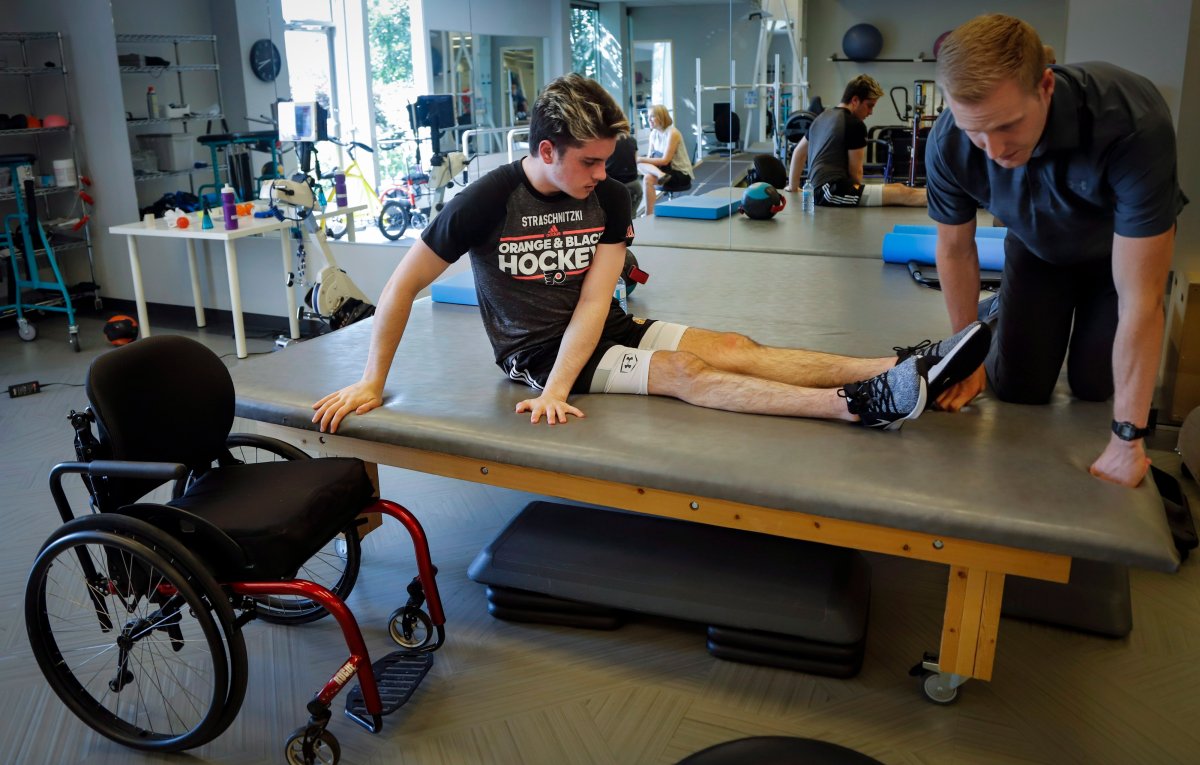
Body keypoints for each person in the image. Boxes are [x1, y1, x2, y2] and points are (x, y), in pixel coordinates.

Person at [312, 73, 990, 435]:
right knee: (684, 371)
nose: (604, 174)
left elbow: (593, 300)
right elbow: (401, 287)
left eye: (610, 160)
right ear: (546, 151)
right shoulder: (488, 199)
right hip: (537, 354)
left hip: (595, 328)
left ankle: (905, 366)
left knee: (732, 342)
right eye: (590, 160)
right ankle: (857, 403)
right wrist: (373, 381)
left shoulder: (607, 195)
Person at [926, 14, 1187, 488]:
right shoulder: (948, 142)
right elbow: (956, 250)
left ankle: (1009, 309)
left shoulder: (1131, 121)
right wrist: (962, 357)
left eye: (1008, 125)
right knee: (1019, 390)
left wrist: (1127, 439)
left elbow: (1142, 299)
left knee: (1094, 387)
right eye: (975, 132)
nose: (993, 149)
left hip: (1115, 259)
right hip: (1035, 249)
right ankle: (1001, 310)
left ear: (1045, 85)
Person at [785, 74, 927, 207]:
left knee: (900, 189)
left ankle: (941, 198)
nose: (870, 112)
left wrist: (793, 187)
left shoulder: (821, 117)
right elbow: (856, 172)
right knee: (902, 195)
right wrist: (859, 194)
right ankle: (946, 203)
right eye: (869, 105)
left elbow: (798, 152)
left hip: (824, 191)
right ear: (855, 100)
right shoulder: (854, 124)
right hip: (832, 192)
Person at [636, 104, 694, 215]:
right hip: (662, 172)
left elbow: (665, 160)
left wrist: (640, 159)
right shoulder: (653, 134)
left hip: (679, 173)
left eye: (652, 116)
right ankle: (650, 214)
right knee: (641, 167)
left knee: (644, 170)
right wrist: (641, 160)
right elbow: (649, 158)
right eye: (648, 117)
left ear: (661, 117)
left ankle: (649, 214)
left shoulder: (672, 133)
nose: (649, 120)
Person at [605, 132, 642, 217]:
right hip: (633, 184)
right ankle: (631, 219)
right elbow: (635, 161)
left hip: (613, 184)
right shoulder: (632, 140)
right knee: (638, 195)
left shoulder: (605, 141)